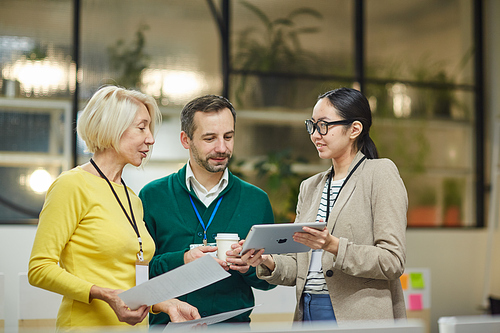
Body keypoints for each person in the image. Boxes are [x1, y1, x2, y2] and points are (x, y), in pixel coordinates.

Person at [28, 85, 201, 330]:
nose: (150, 138)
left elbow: (130, 282)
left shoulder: (133, 198)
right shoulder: (71, 185)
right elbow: (39, 268)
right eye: (142, 127)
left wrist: (166, 303)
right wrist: (105, 295)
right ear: (113, 126)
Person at [236, 87, 408, 323]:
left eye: (324, 125)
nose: (316, 134)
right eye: (312, 125)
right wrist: (267, 260)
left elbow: (392, 261)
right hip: (307, 309)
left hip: (357, 316)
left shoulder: (379, 174)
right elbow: (299, 266)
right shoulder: (310, 186)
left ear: (355, 129)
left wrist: (334, 245)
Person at [139, 94, 276, 327]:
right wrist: (182, 259)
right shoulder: (152, 196)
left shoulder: (257, 200)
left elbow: (269, 280)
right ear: (186, 140)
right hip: (169, 327)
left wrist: (251, 266)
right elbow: (139, 274)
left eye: (228, 137)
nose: (222, 147)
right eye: (210, 138)